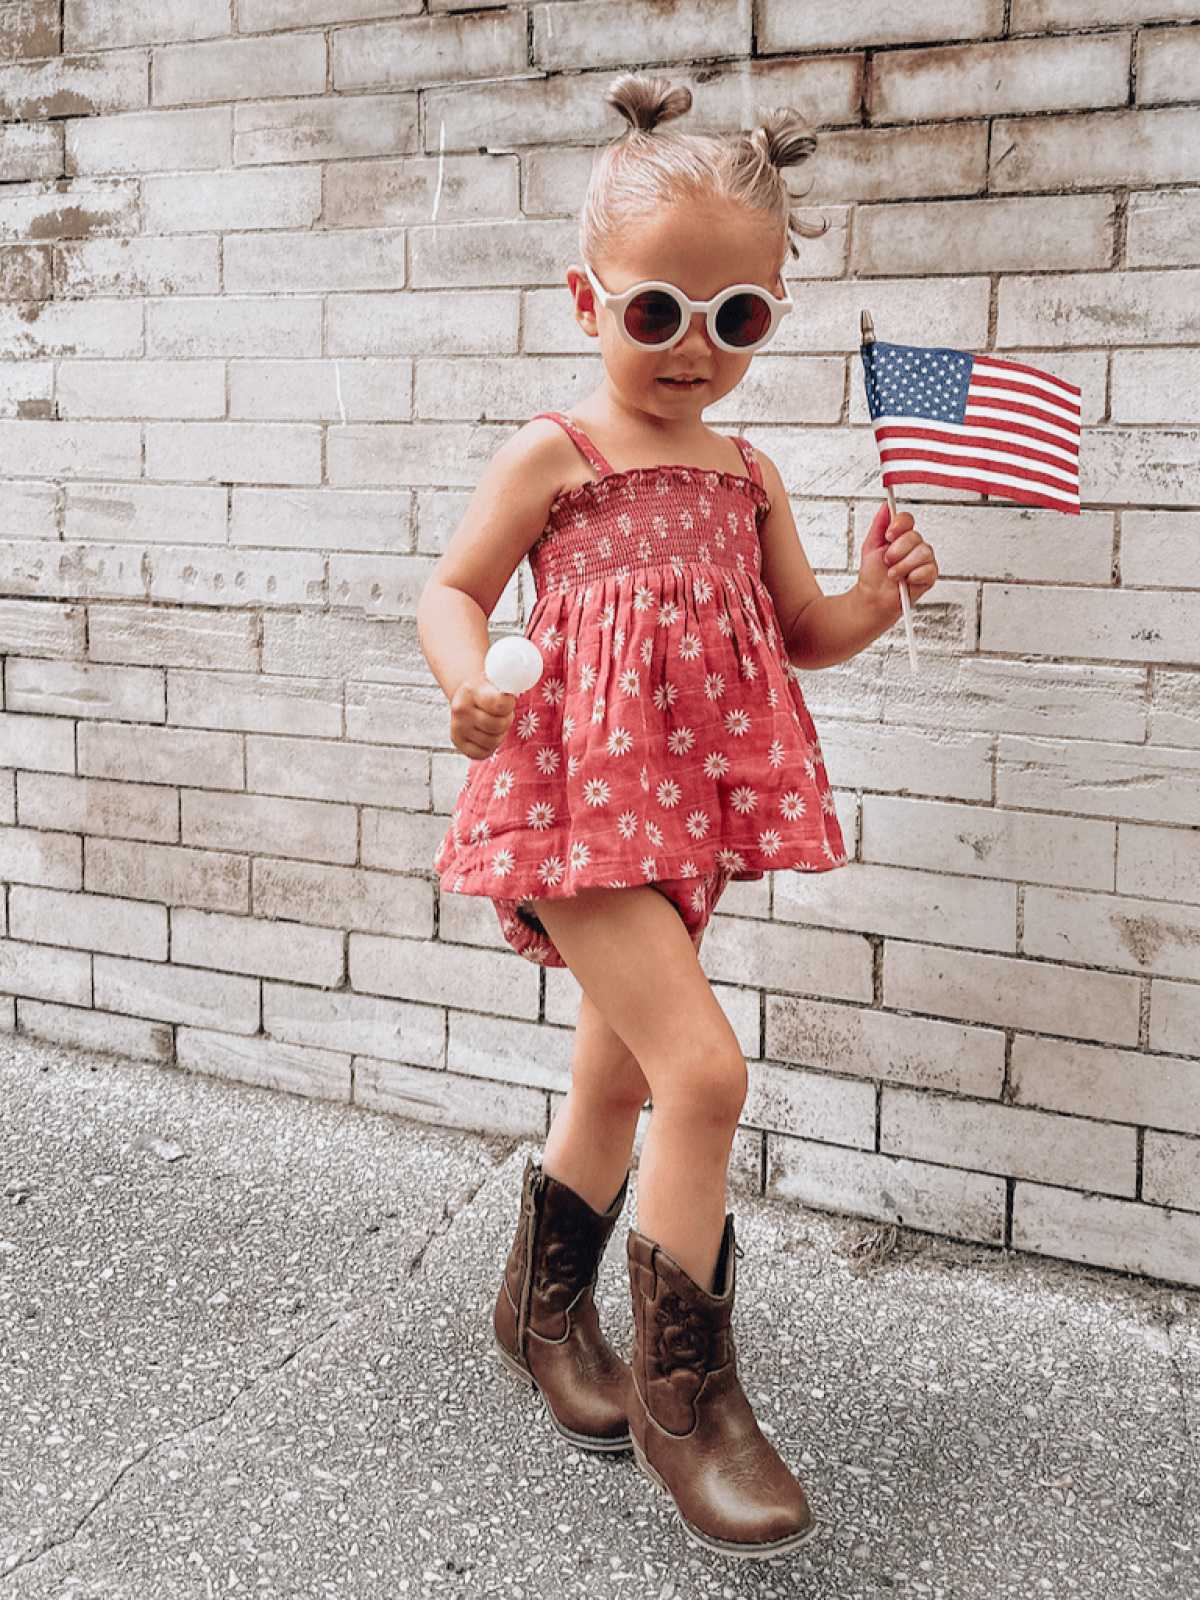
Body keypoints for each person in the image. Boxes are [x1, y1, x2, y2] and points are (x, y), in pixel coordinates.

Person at [418, 74, 938, 1559]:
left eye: (739, 320)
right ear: (589, 296)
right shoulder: (557, 460)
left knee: (621, 1086)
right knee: (703, 1072)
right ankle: (685, 1399)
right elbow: (451, 589)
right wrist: (469, 683)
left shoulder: (748, 472)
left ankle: (538, 1311)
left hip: (683, 822)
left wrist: (880, 589)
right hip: (574, 807)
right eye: (658, 313)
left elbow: (806, 634)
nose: (695, 353)